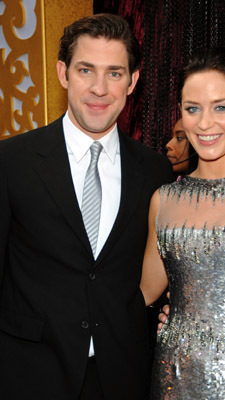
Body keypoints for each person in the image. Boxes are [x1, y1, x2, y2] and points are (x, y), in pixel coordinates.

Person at [0, 14, 173, 400]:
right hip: (27, 375)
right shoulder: (12, 161)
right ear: (63, 73)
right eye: (86, 70)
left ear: (133, 80)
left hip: (123, 377)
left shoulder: (155, 168)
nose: (99, 88)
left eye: (114, 73)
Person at [140, 47, 225, 399]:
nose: (204, 123)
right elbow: (142, 293)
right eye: (192, 109)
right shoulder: (165, 200)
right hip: (175, 377)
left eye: (221, 107)